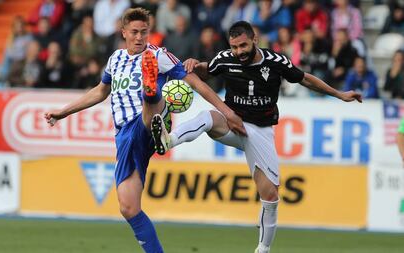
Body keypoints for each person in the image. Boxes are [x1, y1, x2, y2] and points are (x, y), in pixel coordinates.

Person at [44, 8, 245, 253]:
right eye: (135, 32)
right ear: (124, 32)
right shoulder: (115, 59)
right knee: (128, 208)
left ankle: (152, 96)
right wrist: (62, 112)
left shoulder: (158, 55)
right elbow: (100, 91)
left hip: (148, 120)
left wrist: (227, 112)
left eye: (144, 32)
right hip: (125, 138)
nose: (140, 37)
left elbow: (194, 81)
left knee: (149, 104)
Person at [150, 21, 362, 253]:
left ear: (254, 39)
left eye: (243, 45)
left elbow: (305, 79)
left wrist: (339, 94)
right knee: (207, 116)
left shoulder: (275, 61)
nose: (239, 51)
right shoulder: (225, 58)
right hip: (231, 124)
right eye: (234, 47)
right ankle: (168, 140)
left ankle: (263, 249)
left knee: (270, 196)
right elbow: (205, 69)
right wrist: (193, 63)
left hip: (259, 132)